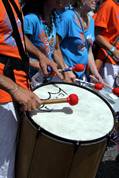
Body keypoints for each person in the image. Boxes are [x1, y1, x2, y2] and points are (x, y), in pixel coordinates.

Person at [0, 0, 62, 178]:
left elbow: (16, 36)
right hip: (4, 94)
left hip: (16, 87)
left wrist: (40, 55)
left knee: (13, 159)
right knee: (4, 165)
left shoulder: (14, 3)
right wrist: (14, 89)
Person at [23, 0, 75, 85]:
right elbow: (19, 50)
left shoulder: (53, 18)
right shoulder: (31, 19)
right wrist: (37, 63)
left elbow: (56, 49)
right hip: (30, 79)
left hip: (46, 79)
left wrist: (65, 74)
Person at [55, 0, 104, 83]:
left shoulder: (91, 21)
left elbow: (88, 51)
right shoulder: (68, 17)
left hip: (80, 76)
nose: (97, 0)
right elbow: (55, 47)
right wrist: (66, 70)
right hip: (64, 73)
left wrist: (96, 74)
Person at [94, 0, 119, 88]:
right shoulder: (109, 4)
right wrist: (114, 50)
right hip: (108, 61)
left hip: (115, 63)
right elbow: (96, 34)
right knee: (108, 98)